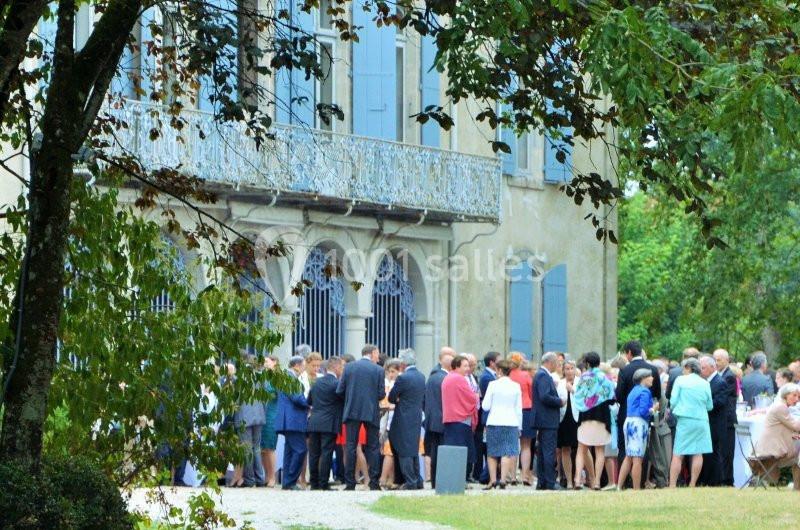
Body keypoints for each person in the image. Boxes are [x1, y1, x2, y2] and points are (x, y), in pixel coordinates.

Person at [336, 344, 385, 491]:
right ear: (372, 353)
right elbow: (381, 394)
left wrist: (350, 399)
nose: (378, 357)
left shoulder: (349, 368)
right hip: (371, 411)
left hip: (352, 410)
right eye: (377, 354)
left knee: (350, 446)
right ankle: (374, 482)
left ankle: (350, 483)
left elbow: (340, 390)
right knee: (373, 446)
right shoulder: (378, 370)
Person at [574, 351, 616, 490]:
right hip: (601, 417)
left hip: (585, 416)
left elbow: (578, 395)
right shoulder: (605, 378)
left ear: (587, 363)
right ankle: (597, 482)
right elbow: (612, 398)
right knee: (600, 451)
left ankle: (577, 480)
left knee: (581, 449)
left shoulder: (583, 377)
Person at [669, 358, 713, 488]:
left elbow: (673, 401)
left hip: (685, 419)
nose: (682, 371)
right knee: (698, 453)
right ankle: (692, 484)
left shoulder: (680, 380)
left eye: (684, 368)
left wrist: (675, 409)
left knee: (678, 453)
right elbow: (710, 405)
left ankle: (672, 485)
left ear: (688, 367)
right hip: (701, 420)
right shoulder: (705, 383)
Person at [388, 348, 426, 490]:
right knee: (412, 449)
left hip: (402, 417)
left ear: (403, 364)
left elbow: (391, 397)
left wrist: (398, 399)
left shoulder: (403, 378)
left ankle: (410, 481)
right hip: (416, 416)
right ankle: (417, 480)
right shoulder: (421, 376)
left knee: (403, 448)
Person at [616, 341, 661, 460]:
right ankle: (641, 473)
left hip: (626, 414)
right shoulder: (653, 369)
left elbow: (619, 395)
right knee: (643, 450)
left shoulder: (624, 370)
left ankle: (624, 473)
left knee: (624, 449)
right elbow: (657, 394)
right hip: (646, 416)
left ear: (629, 352)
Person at [481, 359, 522, 490]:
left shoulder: (492, 385)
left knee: (492, 452)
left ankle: (493, 480)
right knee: (507, 452)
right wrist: (520, 426)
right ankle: (503, 479)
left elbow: (485, 406)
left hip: (494, 421)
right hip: (511, 421)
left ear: (499, 370)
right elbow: (518, 408)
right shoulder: (516, 386)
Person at [751, 383, 800, 489]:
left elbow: (787, 429)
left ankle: (797, 488)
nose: (797, 399)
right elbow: (796, 427)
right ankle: (797, 489)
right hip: (771, 451)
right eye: (794, 395)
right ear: (786, 395)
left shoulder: (778, 405)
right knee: (799, 457)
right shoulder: (781, 408)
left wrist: (794, 435)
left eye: (798, 397)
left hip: (766, 448)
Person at [306, 356, 344, 490]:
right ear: (336, 367)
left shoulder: (316, 382)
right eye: (341, 367)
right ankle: (323, 483)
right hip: (329, 423)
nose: (342, 369)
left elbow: (309, 401)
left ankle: (314, 483)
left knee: (314, 453)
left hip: (314, 422)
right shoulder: (337, 384)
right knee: (326, 452)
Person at [617, 368, 658, 490]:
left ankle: (619, 486)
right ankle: (636, 489)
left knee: (629, 456)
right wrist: (654, 409)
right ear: (643, 378)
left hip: (629, 422)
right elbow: (644, 412)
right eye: (650, 376)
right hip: (638, 425)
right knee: (637, 458)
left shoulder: (633, 390)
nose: (652, 378)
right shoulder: (645, 391)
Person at [275, 355, 310, 490]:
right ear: (296, 365)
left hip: (289, 420)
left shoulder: (286, 377)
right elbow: (297, 398)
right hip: (293, 420)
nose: (304, 369)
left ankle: (287, 482)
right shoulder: (290, 377)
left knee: (290, 451)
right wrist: (310, 404)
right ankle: (290, 481)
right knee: (300, 450)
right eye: (303, 366)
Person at [532, 352, 566, 490]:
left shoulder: (540, 375)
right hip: (547, 419)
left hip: (543, 419)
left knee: (542, 451)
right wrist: (559, 401)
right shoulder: (543, 376)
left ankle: (542, 482)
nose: (557, 366)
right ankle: (550, 482)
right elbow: (544, 396)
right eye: (556, 363)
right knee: (548, 451)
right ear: (550, 362)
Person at [441, 355, 480, 475]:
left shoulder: (448, 377)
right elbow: (471, 397)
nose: (468, 369)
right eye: (465, 366)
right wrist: (476, 396)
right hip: (460, 419)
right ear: (457, 367)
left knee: (452, 450)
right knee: (461, 451)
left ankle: (453, 476)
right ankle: (460, 477)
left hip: (450, 418)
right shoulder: (459, 379)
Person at [234, 356, 267, 488]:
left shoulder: (239, 377)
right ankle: (260, 478)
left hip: (243, 415)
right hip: (259, 414)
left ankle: (249, 479)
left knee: (246, 448)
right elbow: (265, 398)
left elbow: (235, 399)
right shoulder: (260, 377)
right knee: (256, 447)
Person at [424, 349, 453, 488]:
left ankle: (435, 482)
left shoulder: (432, 377)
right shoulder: (447, 379)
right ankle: (443, 481)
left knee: (435, 452)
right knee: (444, 452)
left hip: (432, 420)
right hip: (445, 420)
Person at [698, 355, 728, 486]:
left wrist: (703, 405)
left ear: (712, 367)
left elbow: (720, 402)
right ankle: (707, 479)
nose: (701, 370)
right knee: (708, 453)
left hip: (715, 424)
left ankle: (715, 481)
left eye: (703, 368)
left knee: (714, 453)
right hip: (708, 423)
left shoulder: (719, 382)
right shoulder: (707, 381)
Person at [509, 352, 535, 486]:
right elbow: (532, 393)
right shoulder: (526, 375)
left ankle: (513, 476)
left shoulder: (507, 376)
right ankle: (525, 475)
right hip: (526, 409)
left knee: (513, 445)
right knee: (526, 445)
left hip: (511, 411)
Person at [713, 348, 738, 486]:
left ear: (727, 360)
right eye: (715, 360)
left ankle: (727, 480)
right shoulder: (721, 375)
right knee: (722, 451)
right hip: (722, 420)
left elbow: (722, 397)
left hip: (727, 420)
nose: (716, 362)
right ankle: (722, 478)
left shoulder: (729, 376)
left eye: (719, 360)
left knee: (727, 451)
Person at [476, 351, 500, 483]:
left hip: (492, 416)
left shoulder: (491, 376)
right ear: (492, 362)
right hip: (489, 416)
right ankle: (486, 476)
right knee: (490, 447)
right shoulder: (487, 377)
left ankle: (489, 475)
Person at [557, 359, 579, 489]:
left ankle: (584, 478)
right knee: (565, 448)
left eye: (572, 368)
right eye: (567, 369)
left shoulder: (580, 382)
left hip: (578, 418)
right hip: (564, 418)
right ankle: (569, 480)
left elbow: (585, 398)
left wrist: (573, 389)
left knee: (582, 448)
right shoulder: (559, 384)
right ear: (563, 370)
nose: (570, 371)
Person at [379, 360, 401, 488]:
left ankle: (388, 479)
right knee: (388, 451)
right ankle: (385, 478)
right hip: (387, 421)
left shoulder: (398, 383)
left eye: (393, 371)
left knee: (390, 452)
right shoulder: (386, 384)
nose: (391, 374)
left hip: (393, 421)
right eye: (389, 372)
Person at [260, 355, 280, 488]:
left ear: (275, 362)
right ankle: (267, 475)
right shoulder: (263, 377)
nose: (265, 364)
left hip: (272, 413)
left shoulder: (276, 378)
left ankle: (273, 476)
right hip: (262, 413)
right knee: (263, 447)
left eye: (267, 361)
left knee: (270, 446)